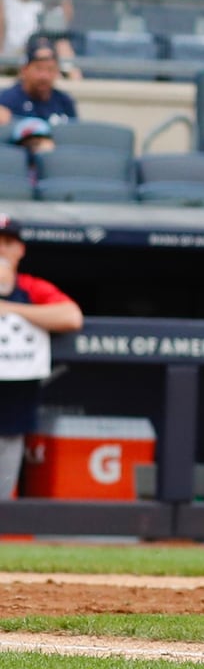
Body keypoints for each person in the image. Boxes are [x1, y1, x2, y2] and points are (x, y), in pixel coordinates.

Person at [0, 214, 84, 501]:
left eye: (7, 242)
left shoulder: (30, 288)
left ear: (20, 249)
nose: (1, 249)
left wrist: (7, 308)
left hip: (10, 410)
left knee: (2, 500)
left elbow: (71, 316)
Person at [0, 34, 78, 126]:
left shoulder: (64, 102)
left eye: (50, 69)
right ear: (24, 70)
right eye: (39, 69)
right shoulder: (6, 100)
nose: (44, 76)